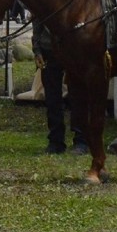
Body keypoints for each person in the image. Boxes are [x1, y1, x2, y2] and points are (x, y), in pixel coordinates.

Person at [32, 19, 87, 155]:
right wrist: (37, 49)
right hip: (48, 48)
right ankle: (56, 141)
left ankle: (81, 140)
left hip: (74, 47)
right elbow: (37, 20)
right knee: (52, 98)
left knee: (77, 94)